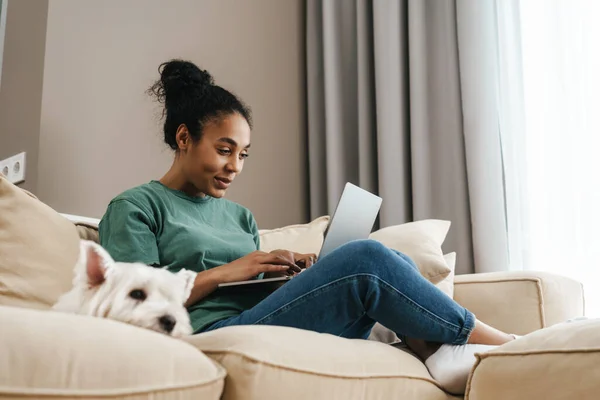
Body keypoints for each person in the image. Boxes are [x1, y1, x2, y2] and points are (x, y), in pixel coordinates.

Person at [98, 59, 517, 394]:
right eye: (224, 150)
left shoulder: (239, 217)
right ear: (185, 138)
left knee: (393, 259)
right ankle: (502, 346)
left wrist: (295, 275)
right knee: (367, 258)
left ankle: (435, 351)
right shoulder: (137, 206)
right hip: (210, 331)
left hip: (266, 316)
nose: (234, 167)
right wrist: (234, 269)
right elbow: (137, 305)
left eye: (243, 155)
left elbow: (255, 292)